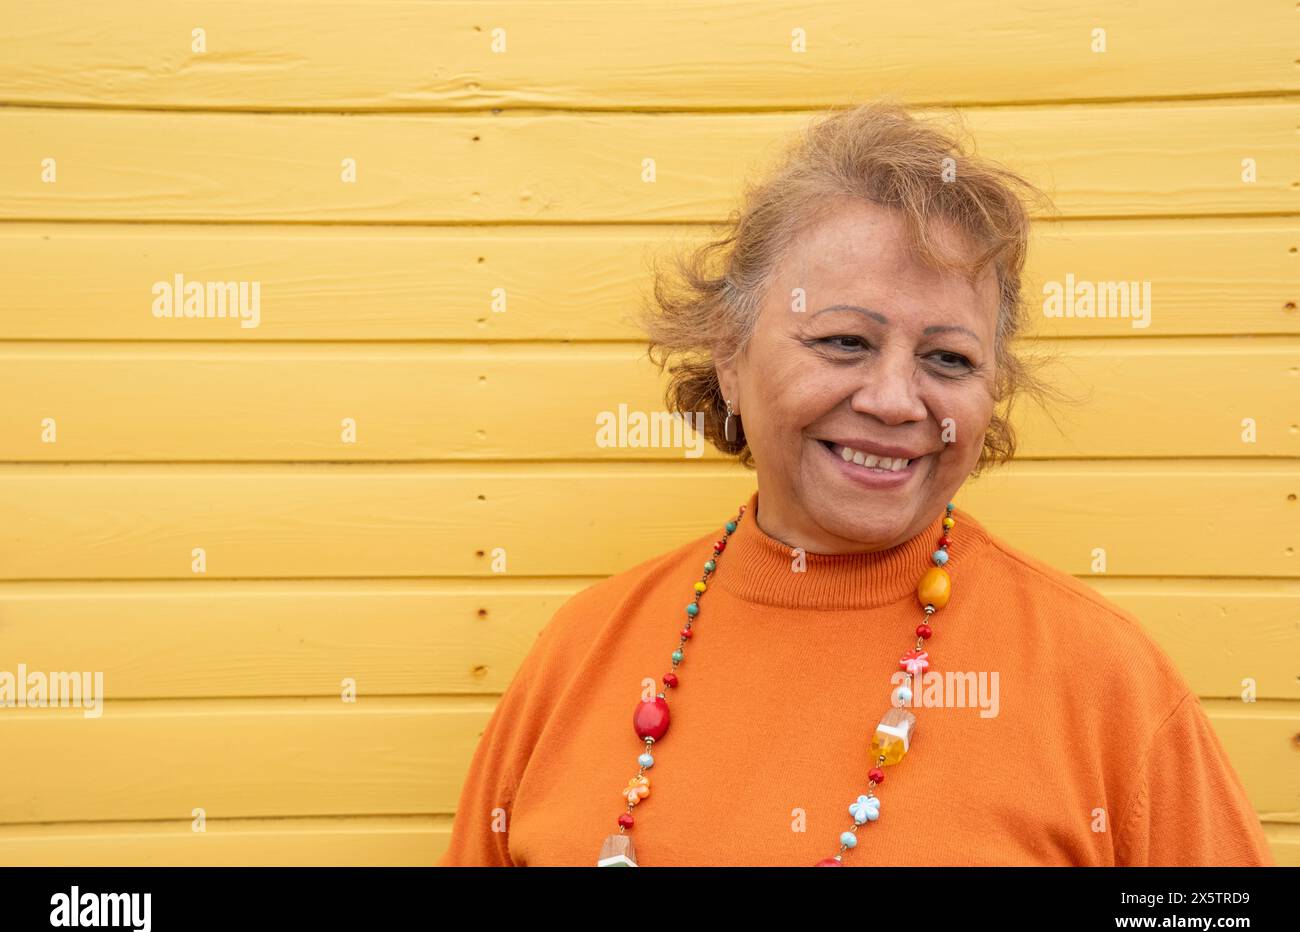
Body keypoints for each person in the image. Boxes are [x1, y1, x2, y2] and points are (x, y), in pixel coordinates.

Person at [439, 101, 1274, 867]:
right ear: (728, 356)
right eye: (844, 341)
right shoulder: (579, 653)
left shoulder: (1105, 683)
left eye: (949, 358)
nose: (893, 400)